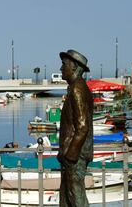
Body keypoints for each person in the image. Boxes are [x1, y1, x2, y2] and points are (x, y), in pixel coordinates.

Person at [57, 50, 93, 207]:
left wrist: (70, 155)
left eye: (64, 64)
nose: (60, 68)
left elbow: (83, 126)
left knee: (75, 196)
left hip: (75, 155)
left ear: (74, 67)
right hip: (71, 153)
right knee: (66, 197)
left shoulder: (78, 89)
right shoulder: (76, 88)